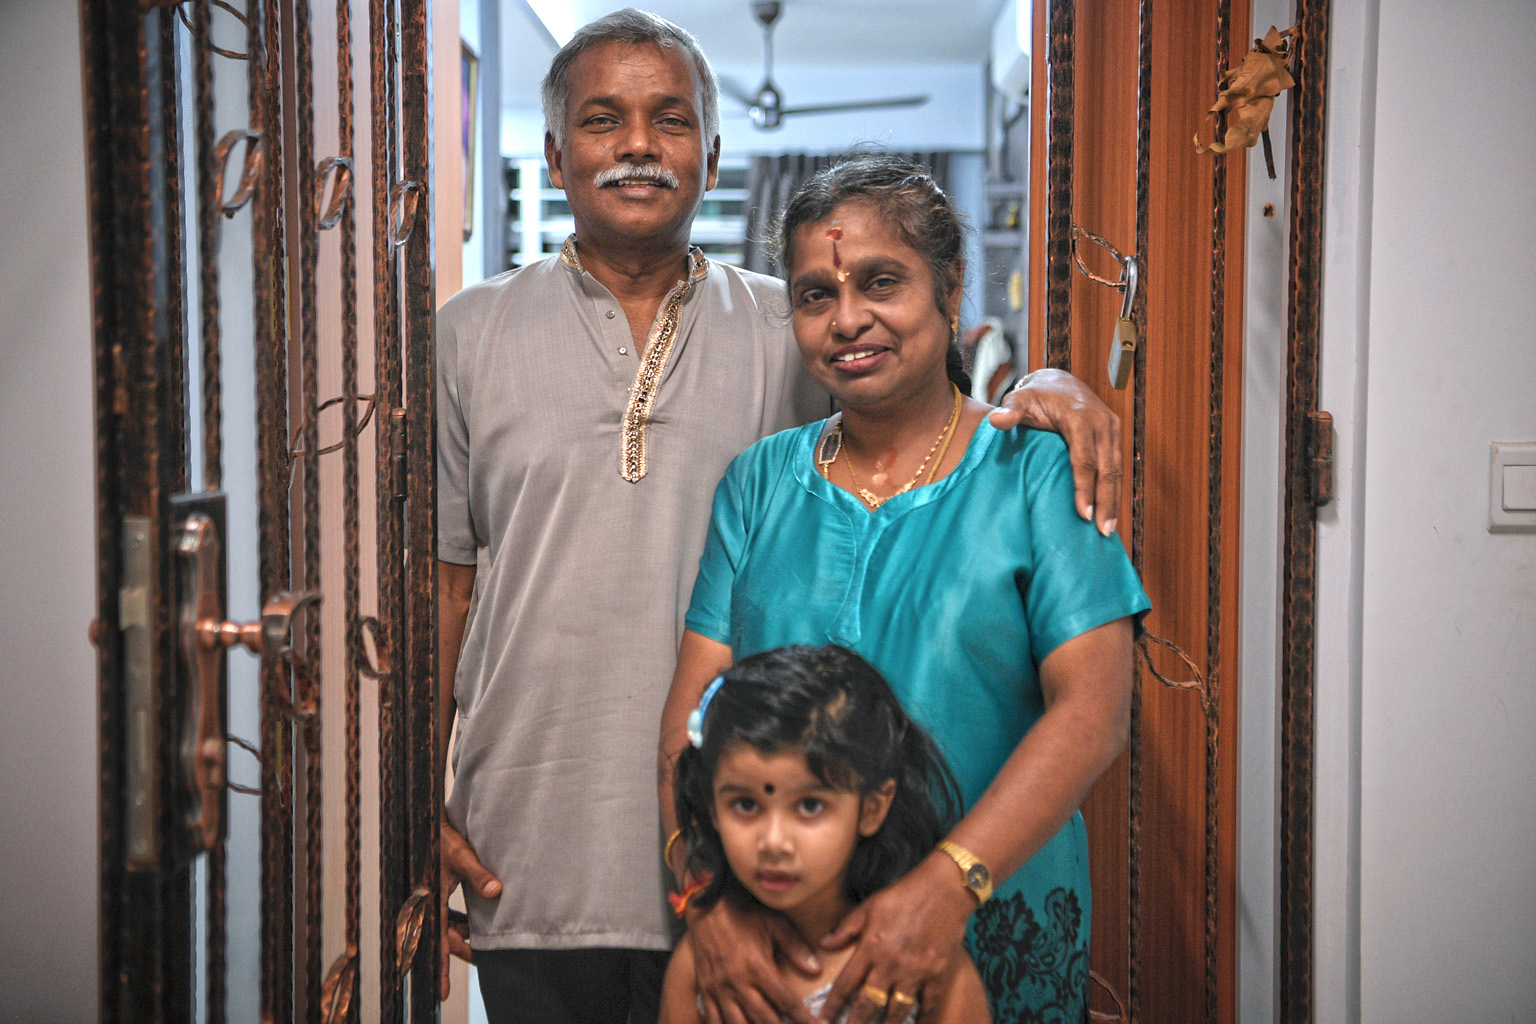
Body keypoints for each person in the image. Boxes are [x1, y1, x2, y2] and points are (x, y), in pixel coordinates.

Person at [436, 10, 1124, 1022]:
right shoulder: (469, 334)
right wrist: (411, 793)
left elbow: (916, 397)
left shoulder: (783, 326)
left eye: (669, 118)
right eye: (602, 119)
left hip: (799, 875)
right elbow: (446, 588)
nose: (636, 143)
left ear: (713, 157)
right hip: (549, 851)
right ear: (553, 152)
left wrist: (1049, 377)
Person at [659, 155, 1151, 1024]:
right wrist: (705, 902)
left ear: (950, 288)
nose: (849, 319)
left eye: (882, 281)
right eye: (815, 295)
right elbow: (696, 719)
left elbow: (1095, 713)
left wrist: (945, 890)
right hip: (785, 950)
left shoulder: (1038, 471)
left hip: (994, 922)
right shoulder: (759, 483)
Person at [658, 645, 991, 1024]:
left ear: (871, 809)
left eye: (810, 806)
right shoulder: (702, 969)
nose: (774, 843)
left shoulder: (925, 966)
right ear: (711, 806)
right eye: (746, 805)